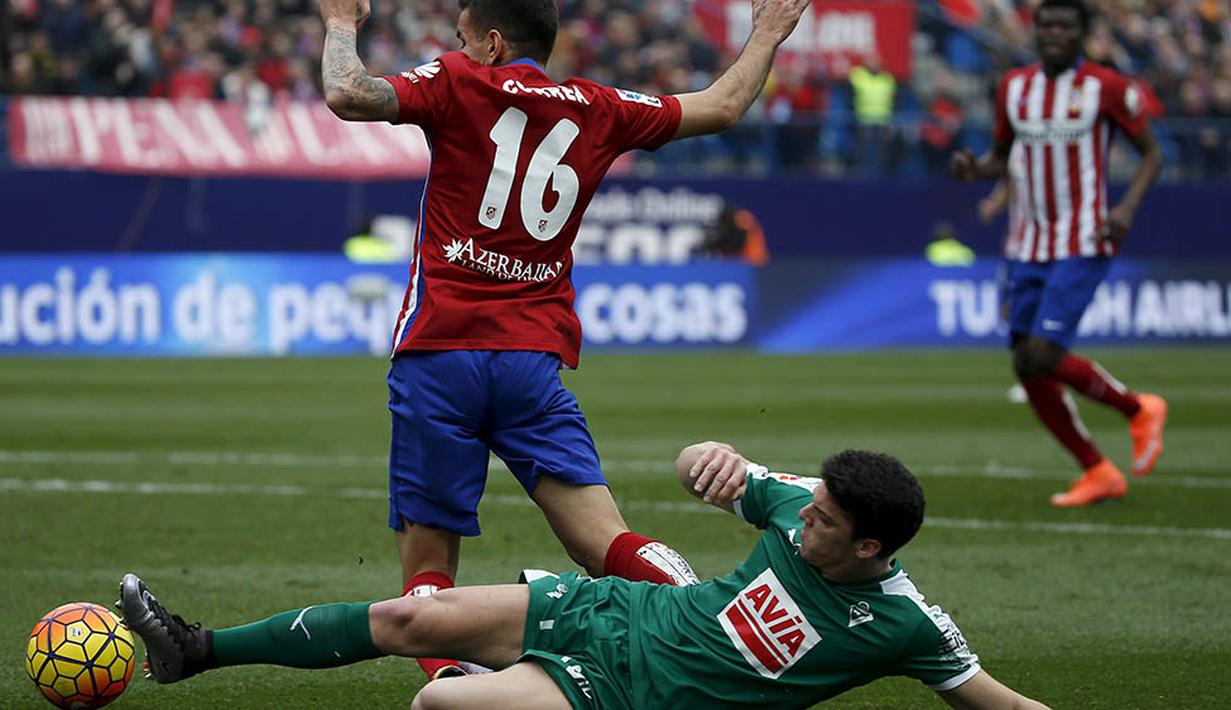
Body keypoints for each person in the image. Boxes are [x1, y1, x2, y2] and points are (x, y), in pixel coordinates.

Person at [316, 0, 815, 679]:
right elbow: (723, 106)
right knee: (605, 542)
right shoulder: (599, 106)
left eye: (463, 37)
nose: (458, 48)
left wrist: (340, 21)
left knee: (429, 570)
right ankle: (713, 631)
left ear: (492, 43)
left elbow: (348, 92)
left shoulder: (458, 80)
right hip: (530, 360)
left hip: (439, 354)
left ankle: (454, 690)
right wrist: (768, 32)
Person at [119, 441, 1051, 709]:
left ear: (871, 550)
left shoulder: (905, 625)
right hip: (614, 611)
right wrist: (708, 459)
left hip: (628, 695)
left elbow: (1001, 704)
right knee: (411, 618)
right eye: (809, 507)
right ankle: (194, 650)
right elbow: (703, 464)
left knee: (438, 704)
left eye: (826, 524)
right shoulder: (798, 504)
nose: (805, 520)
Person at [950, 0, 1168, 507]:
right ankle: (1098, 471)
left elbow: (1153, 154)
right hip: (1026, 243)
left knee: (1044, 354)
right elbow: (1000, 158)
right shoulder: (1015, 87)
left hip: (1084, 238)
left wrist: (1126, 208)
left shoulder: (1106, 87)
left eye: (1065, 26)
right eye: (1046, 24)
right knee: (1027, 366)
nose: (1054, 33)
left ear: (1082, 33)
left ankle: (1138, 408)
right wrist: (974, 170)